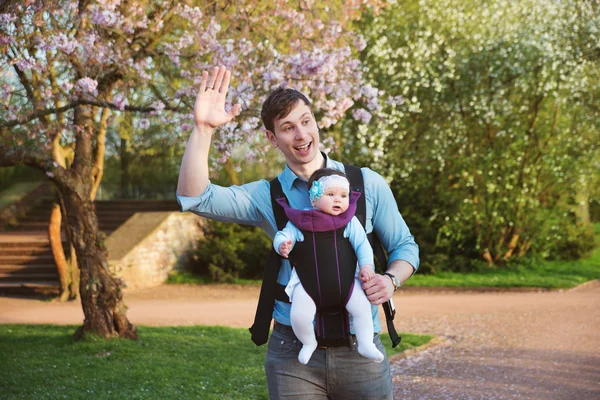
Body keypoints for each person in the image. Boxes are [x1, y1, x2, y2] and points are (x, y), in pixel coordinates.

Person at [177, 65, 419, 399]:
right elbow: (195, 197)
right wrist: (203, 129)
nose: (301, 135)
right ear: (272, 138)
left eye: (306, 121)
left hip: (360, 350)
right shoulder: (267, 196)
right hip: (292, 356)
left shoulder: (366, 183)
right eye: (288, 128)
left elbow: (405, 247)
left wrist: (390, 280)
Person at [273, 168, 384, 365]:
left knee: (361, 309)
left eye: (343, 195)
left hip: (347, 283)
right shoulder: (302, 221)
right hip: (308, 285)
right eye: (330, 194)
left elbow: (362, 245)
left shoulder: (349, 222)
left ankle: (366, 343)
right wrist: (282, 244)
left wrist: (367, 266)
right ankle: (308, 342)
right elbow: (283, 235)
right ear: (314, 199)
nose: (338, 200)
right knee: (299, 315)